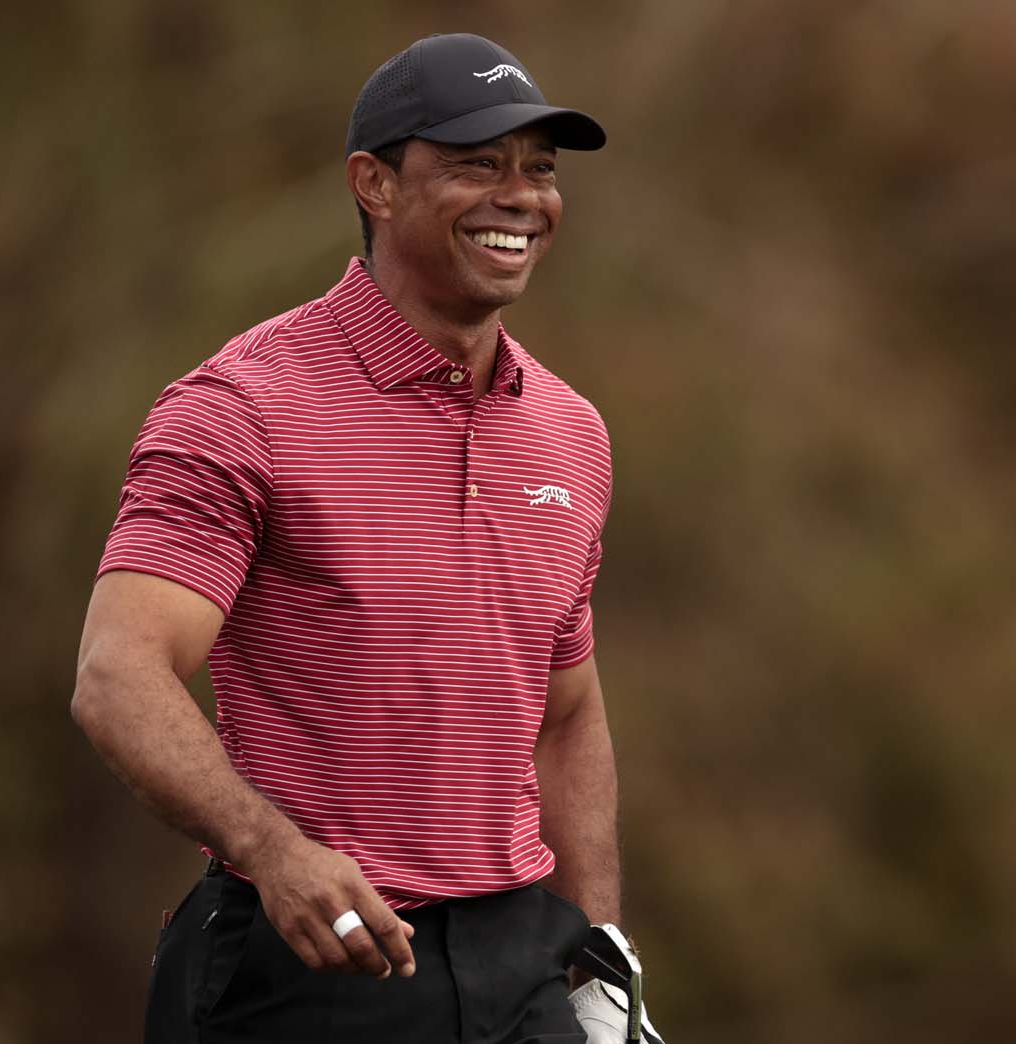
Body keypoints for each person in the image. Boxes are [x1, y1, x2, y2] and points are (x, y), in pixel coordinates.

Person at [71, 32, 643, 1043]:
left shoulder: (571, 431)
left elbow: (562, 713)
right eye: (475, 165)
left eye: (538, 171)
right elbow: (120, 675)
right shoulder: (242, 407)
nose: (520, 197)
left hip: (520, 965)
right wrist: (275, 850)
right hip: (309, 959)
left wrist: (596, 946)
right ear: (372, 183)